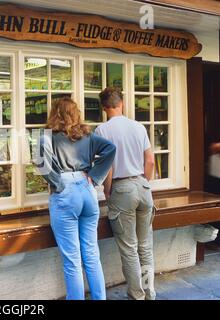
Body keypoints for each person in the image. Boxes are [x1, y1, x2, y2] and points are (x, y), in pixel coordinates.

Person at [34, 97, 116, 300]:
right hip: (87, 191)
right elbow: (110, 149)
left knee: (72, 259)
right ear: (75, 113)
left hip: (66, 192)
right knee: (91, 254)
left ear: (55, 113)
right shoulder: (87, 135)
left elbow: (41, 164)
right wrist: (95, 177)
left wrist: (58, 183)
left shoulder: (46, 136)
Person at [95, 87, 156, 300]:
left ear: (104, 108)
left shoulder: (102, 131)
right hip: (143, 186)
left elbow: (108, 168)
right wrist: (143, 182)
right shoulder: (138, 127)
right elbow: (150, 161)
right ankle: (149, 293)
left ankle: (137, 295)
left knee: (129, 249)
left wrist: (108, 191)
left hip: (122, 189)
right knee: (145, 247)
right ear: (122, 103)